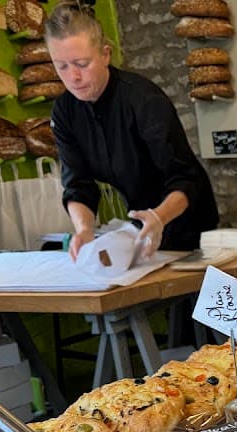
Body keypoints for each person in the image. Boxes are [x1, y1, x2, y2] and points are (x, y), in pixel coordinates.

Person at [45, 2, 219, 260]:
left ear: (105, 54)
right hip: (142, 223)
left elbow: (185, 177)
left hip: (189, 220)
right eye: (62, 66)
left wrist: (159, 217)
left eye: (82, 63)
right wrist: (84, 230)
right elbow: (77, 184)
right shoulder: (64, 112)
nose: (73, 77)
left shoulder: (144, 100)